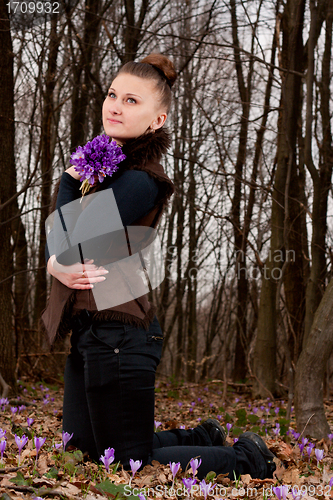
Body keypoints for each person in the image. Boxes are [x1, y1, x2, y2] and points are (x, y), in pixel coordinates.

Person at [41, 53, 276, 481]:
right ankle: (204, 437)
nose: (114, 105)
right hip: (91, 328)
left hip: (121, 334)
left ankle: (246, 458)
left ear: (157, 119)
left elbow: (70, 244)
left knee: (132, 463)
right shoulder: (109, 172)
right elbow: (60, 241)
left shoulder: (138, 180)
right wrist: (56, 261)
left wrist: (68, 183)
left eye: (132, 101)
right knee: (87, 450)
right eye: (112, 95)